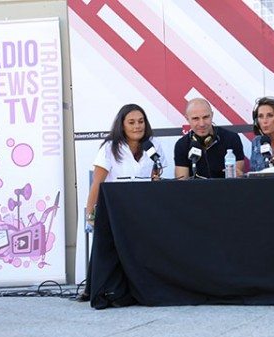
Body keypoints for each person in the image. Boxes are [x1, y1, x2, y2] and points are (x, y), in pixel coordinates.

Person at [77, 103, 166, 302]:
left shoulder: (153, 145)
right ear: (122, 125)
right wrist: (90, 215)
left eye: (141, 122)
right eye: (132, 122)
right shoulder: (110, 148)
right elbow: (97, 184)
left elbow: (156, 177)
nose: (137, 126)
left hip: (143, 209)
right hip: (115, 211)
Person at [174, 98, 245, 179]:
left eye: (205, 117)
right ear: (187, 119)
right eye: (195, 118)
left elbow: (237, 179)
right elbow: (181, 183)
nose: (202, 124)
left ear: (212, 115)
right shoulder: (181, 145)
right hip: (195, 191)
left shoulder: (232, 139)